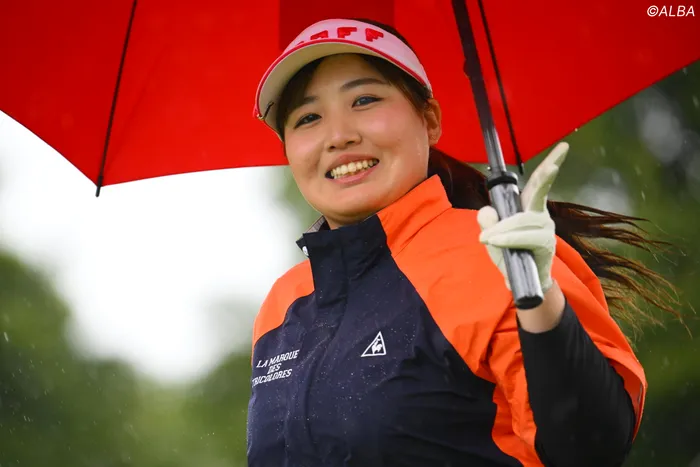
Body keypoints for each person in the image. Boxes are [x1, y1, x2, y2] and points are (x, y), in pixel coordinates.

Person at [246, 17, 679, 467]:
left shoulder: (495, 252)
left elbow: (589, 447)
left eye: (365, 100)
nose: (339, 136)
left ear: (429, 120)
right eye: (308, 118)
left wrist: (540, 302)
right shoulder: (283, 304)